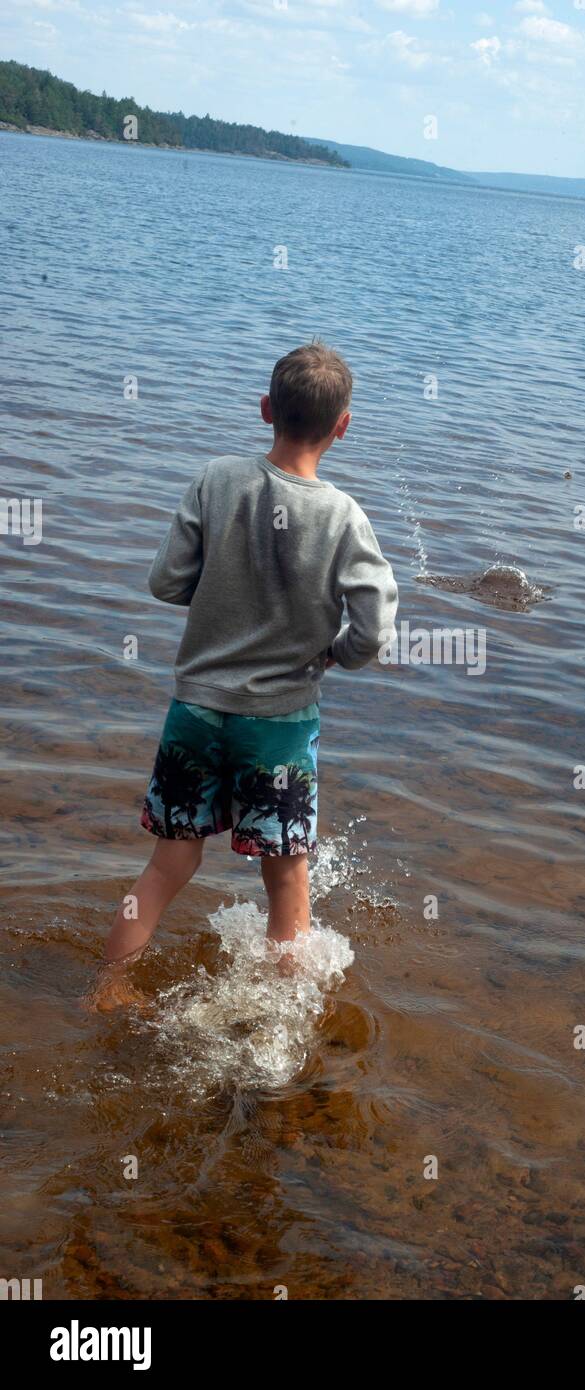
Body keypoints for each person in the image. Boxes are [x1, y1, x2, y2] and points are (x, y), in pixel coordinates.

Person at [91, 342, 397, 1008]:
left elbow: (165, 580)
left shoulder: (215, 479)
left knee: (166, 866)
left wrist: (222, 596)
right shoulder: (344, 517)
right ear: (343, 426)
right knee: (286, 880)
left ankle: (108, 988)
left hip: (195, 711)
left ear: (265, 410)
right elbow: (373, 631)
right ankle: (282, 1024)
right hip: (279, 727)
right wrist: (333, 655)